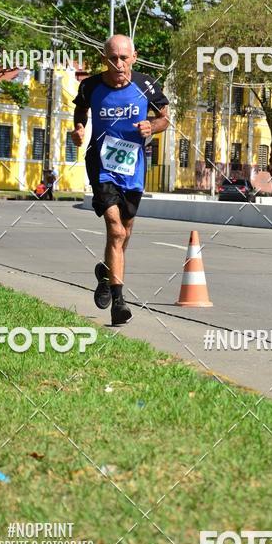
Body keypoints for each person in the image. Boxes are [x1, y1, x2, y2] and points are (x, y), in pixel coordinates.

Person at [71, 34, 169, 326]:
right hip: (101, 165)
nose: (118, 64)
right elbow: (81, 110)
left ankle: (105, 272)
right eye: (112, 58)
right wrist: (78, 128)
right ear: (104, 59)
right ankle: (119, 302)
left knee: (124, 233)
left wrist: (151, 126)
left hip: (133, 169)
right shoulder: (90, 86)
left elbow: (164, 118)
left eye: (123, 58)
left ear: (134, 58)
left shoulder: (146, 85)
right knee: (115, 230)